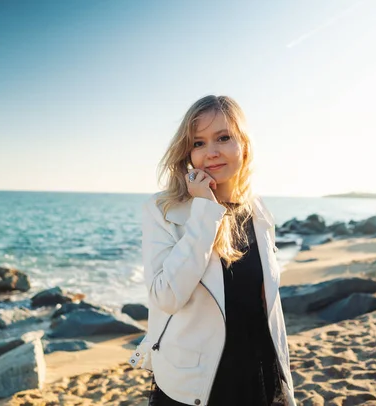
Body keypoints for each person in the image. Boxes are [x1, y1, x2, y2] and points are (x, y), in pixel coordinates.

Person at [131, 95, 295, 406]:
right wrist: (205, 209)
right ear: (187, 152)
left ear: (243, 145)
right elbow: (165, 296)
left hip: (256, 373)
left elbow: (268, 307)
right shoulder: (163, 210)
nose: (212, 152)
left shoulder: (257, 210)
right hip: (193, 382)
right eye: (198, 143)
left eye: (223, 138)